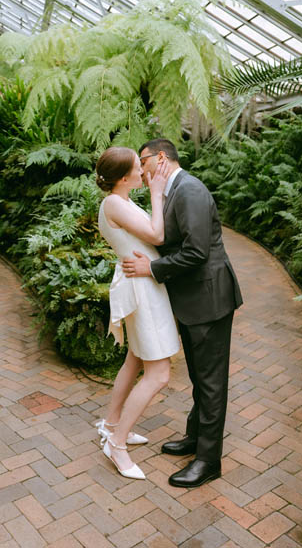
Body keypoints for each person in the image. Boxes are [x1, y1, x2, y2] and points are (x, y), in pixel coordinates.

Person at [122, 138, 243, 488]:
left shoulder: (189, 190)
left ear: (160, 158)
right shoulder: (172, 189)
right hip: (193, 302)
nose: (141, 173)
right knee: (200, 378)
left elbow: (196, 252)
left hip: (209, 300)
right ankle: (195, 438)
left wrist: (153, 269)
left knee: (211, 382)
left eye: (142, 163)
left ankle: (208, 461)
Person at [94, 146, 180, 480]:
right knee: (159, 374)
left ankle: (113, 423)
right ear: (123, 177)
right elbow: (156, 235)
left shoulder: (122, 201)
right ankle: (116, 445)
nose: (144, 171)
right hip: (142, 290)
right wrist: (158, 194)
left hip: (144, 284)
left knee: (135, 359)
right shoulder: (115, 202)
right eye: (137, 166)